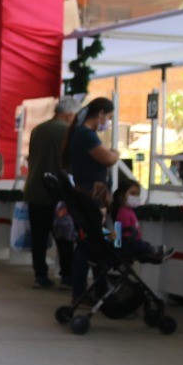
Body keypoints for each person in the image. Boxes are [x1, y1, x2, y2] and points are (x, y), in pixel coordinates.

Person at [61, 97, 119, 304]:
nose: (109, 122)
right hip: (91, 198)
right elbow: (108, 159)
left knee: (91, 245)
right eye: (109, 117)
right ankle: (81, 293)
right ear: (101, 114)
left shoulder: (80, 134)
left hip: (87, 195)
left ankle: (95, 289)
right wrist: (115, 153)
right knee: (88, 246)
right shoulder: (85, 135)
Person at [21, 98, 80, 287]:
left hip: (35, 190)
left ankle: (40, 275)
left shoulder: (38, 129)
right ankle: (67, 275)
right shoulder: (67, 132)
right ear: (69, 115)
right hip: (58, 194)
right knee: (64, 237)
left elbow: (31, 158)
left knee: (38, 238)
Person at [107, 180, 174, 263]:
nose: (135, 197)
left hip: (133, 241)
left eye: (137, 194)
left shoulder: (130, 211)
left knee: (142, 245)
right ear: (122, 196)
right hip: (127, 244)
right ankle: (154, 252)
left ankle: (155, 255)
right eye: (132, 193)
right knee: (141, 246)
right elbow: (120, 234)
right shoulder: (122, 212)